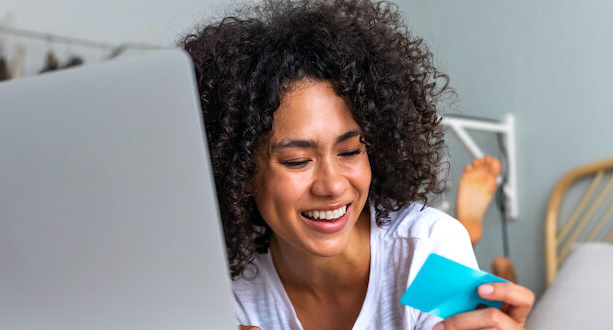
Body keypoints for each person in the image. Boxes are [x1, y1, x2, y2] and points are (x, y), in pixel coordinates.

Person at [180, 0, 534, 329]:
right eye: (298, 160)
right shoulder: (229, 288)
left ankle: (468, 225)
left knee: (452, 232)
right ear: (240, 171)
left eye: (350, 152)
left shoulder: (425, 252)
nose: (332, 186)